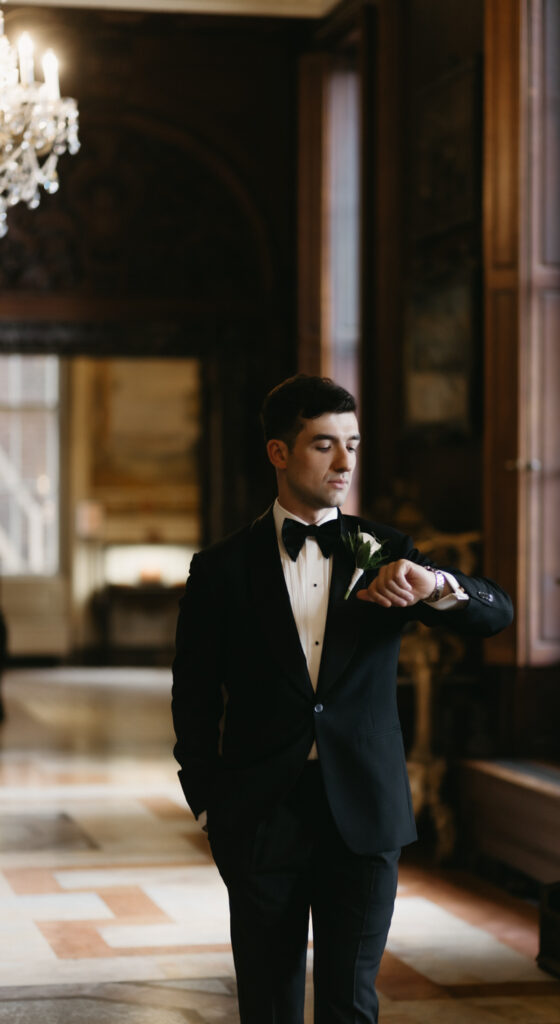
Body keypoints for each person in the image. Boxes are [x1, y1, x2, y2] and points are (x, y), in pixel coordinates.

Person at [171, 374, 513, 1024]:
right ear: (278, 452)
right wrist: (210, 804)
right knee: (267, 1006)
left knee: (351, 1005)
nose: (345, 463)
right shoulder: (221, 569)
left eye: (352, 444)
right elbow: (192, 697)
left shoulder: (385, 552)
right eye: (324, 444)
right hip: (260, 813)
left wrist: (432, 583)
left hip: (364, 811)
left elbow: (496, 614)